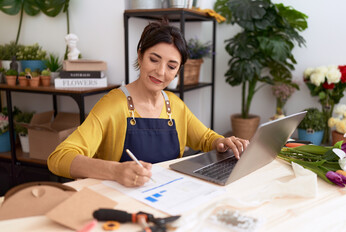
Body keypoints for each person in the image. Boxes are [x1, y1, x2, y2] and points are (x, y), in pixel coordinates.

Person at [48, 20, 249, 187]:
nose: (161, 72)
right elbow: (59, 158)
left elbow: (205, 138)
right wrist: (115, 171)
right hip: (121, 201)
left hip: (166, 196)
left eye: (171, 66)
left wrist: (222, 142)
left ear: (177, 72)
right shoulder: (113, 105)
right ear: (140, 55)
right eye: (154, 60)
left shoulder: (175, 105)